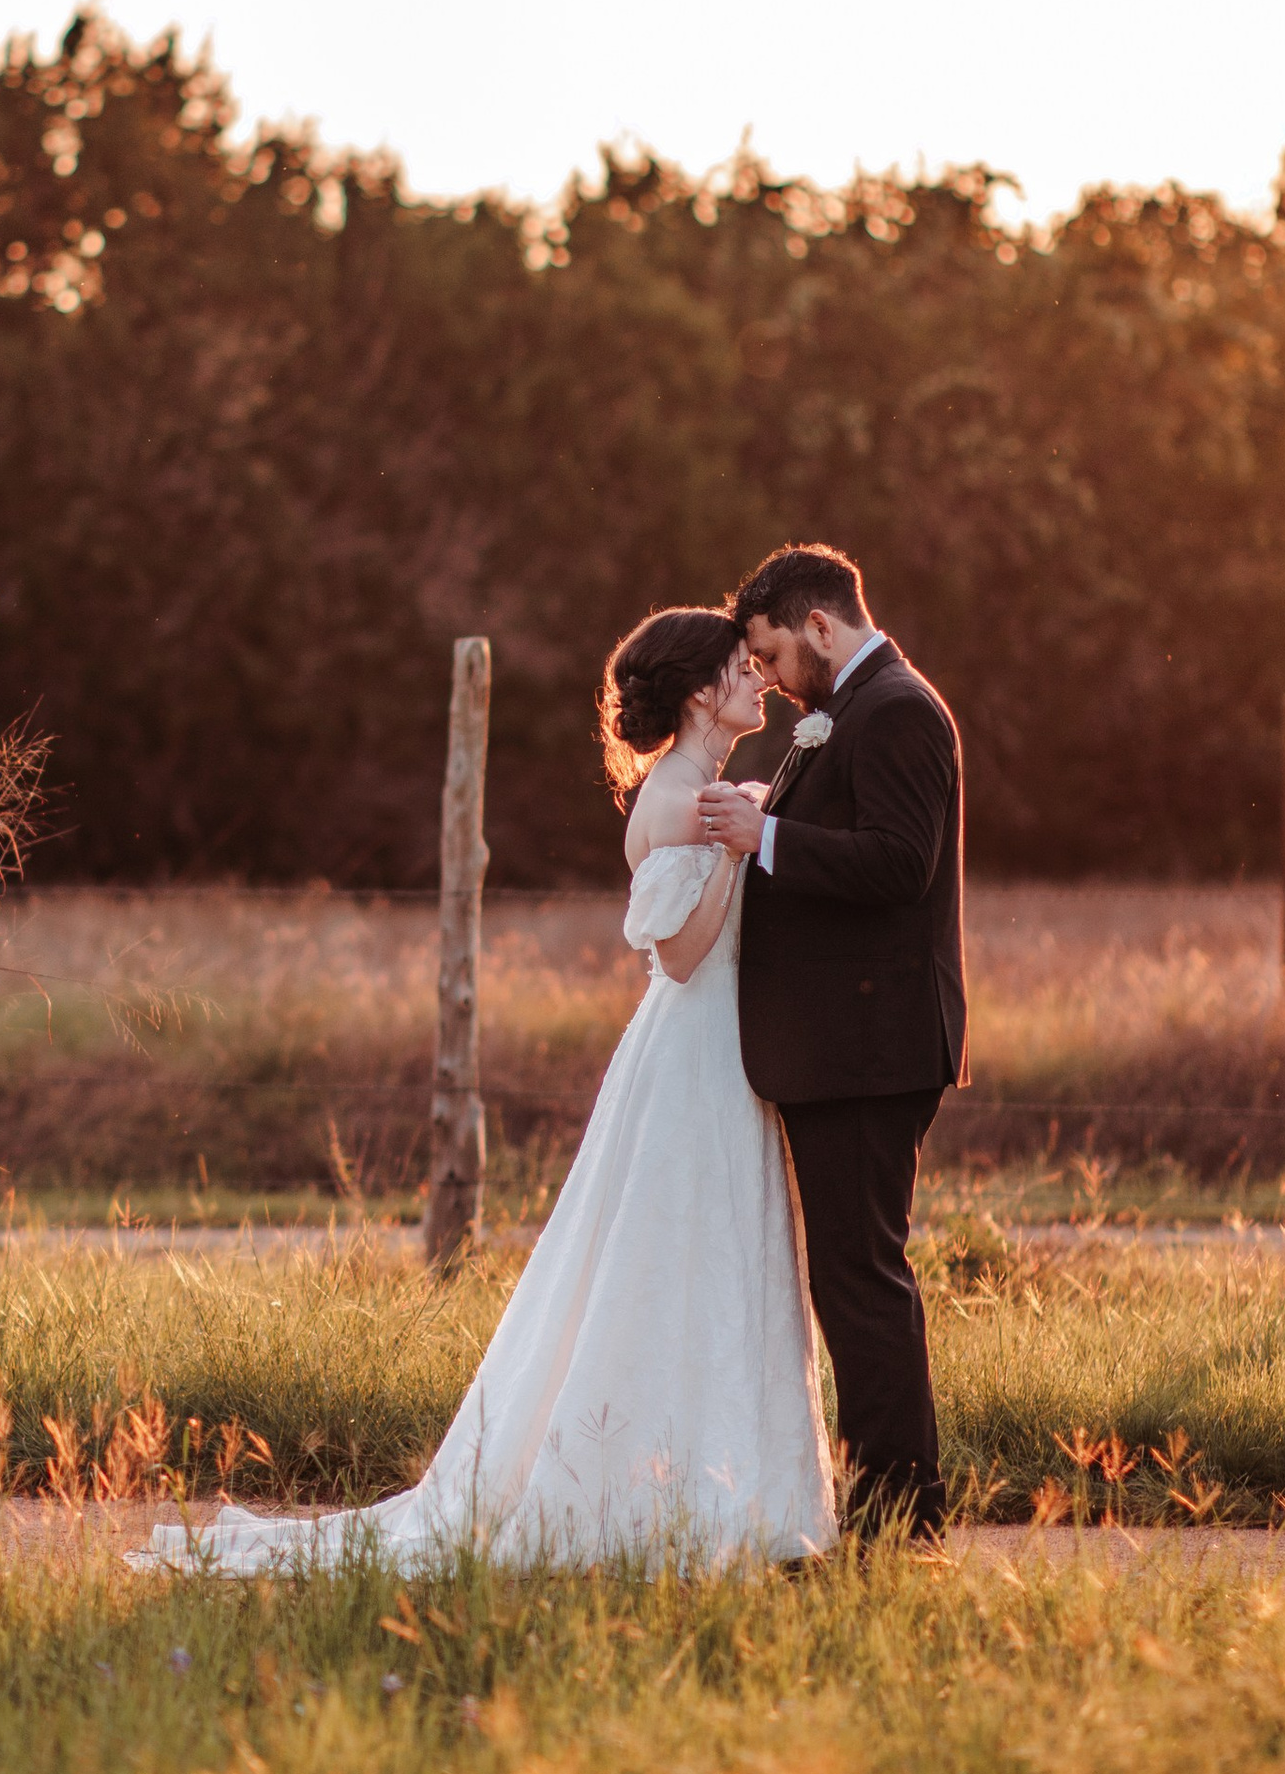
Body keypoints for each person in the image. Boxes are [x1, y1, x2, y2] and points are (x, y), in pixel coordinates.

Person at [141, 606, 836, 1574]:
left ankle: (728, 1489)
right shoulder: (681, 800)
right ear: (695, 692)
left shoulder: (704, 789)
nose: (757, 678)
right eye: (737, 667)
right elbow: (681, 956)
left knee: (715, 1255)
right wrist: (733, 847)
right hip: (694, 1053)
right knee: (679, 1254)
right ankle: (663, 1499)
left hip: (718, 1049)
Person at [697, 541, 967, 1542]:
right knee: (852, 1281)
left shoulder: (895, 710)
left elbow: (899, 864)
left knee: (861, 1282)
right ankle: (890, 1514)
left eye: (771, 653)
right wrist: (769, 817)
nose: (768, 677)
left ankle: (899, 1524)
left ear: (819, 624)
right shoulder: (851, 711)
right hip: (846, 1045)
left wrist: (761, 837)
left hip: (872, 1046)